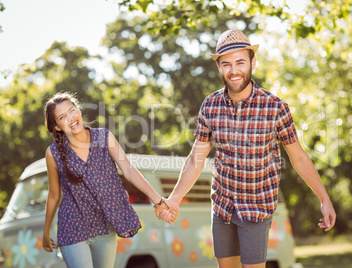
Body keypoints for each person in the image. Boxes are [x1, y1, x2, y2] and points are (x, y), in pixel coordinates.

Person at [162, 29, 336, 268]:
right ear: (219, 67)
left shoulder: (275, 107)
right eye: (226, 64)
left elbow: (298, 158)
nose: (234, 70)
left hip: (256, 206)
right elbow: (196, 158)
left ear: (253, 62)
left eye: (240, 62)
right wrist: (175, 199)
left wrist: (324, 198)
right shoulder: (210, 105)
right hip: (222, 206)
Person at [42, 92, 176, 268]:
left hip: (104, 226)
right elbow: (53, 195)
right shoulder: (53, 154)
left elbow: (128, 169)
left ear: (79, 111)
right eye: (62, 117)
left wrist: (158, 200)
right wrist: (46, 232)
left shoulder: (104, 137)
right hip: (72, 227)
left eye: (72, 110)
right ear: (57, 127)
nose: (71, 118)